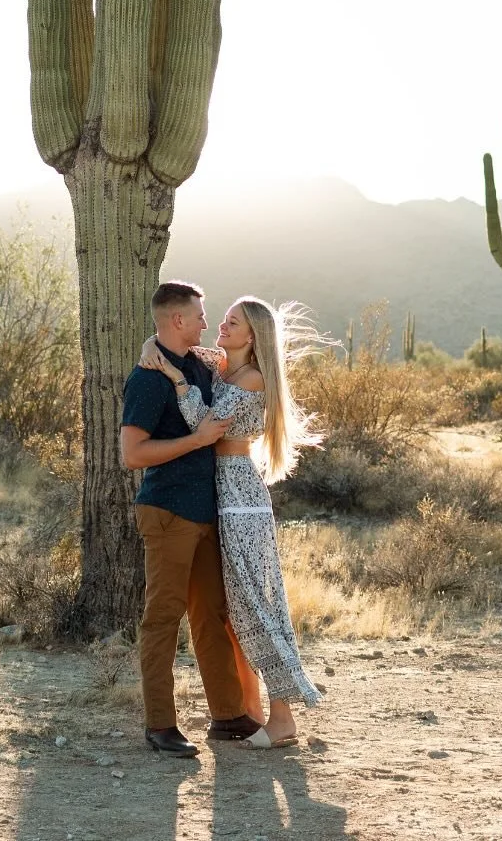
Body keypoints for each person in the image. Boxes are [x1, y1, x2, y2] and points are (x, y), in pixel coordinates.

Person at [141, 294, 323, 749]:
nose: (221, 326)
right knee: (233, 612)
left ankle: (282, 719)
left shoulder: (255, 378)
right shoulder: (217, 363)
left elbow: (206, 424)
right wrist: (151, 345)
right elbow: (166, 340)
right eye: (221, 319)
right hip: (215, 496)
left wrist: (176, 382)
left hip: (240, 497)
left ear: (253, 335)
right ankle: (252, 711)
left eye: (232, 322)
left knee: (258, 607)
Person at [120, 281, 262, 757]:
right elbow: (132, 454)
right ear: (177, 320)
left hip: (207, 512)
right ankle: (160, 726)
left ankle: (226, 716)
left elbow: (240, 361)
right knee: (163, 617)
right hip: (167, 511)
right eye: (199, 315)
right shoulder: (147, 379)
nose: (207, 321)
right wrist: (196, 440)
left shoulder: (199, 366)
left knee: (212, 615)